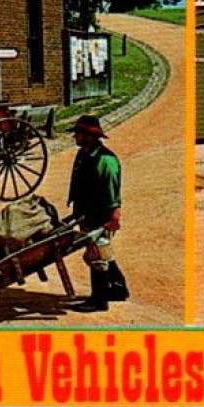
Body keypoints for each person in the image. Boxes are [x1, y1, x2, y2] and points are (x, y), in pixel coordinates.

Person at [68, 115, 128, 313]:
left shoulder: (106, 160)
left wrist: (114, 215)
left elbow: (112, 190)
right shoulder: (83, 155)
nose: (75, 137)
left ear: (89, 136)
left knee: (97, 254)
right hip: (85, 212)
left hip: (99, 213)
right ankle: (118, 288)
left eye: (78, 133)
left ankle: (99, 300)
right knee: (101, 249)